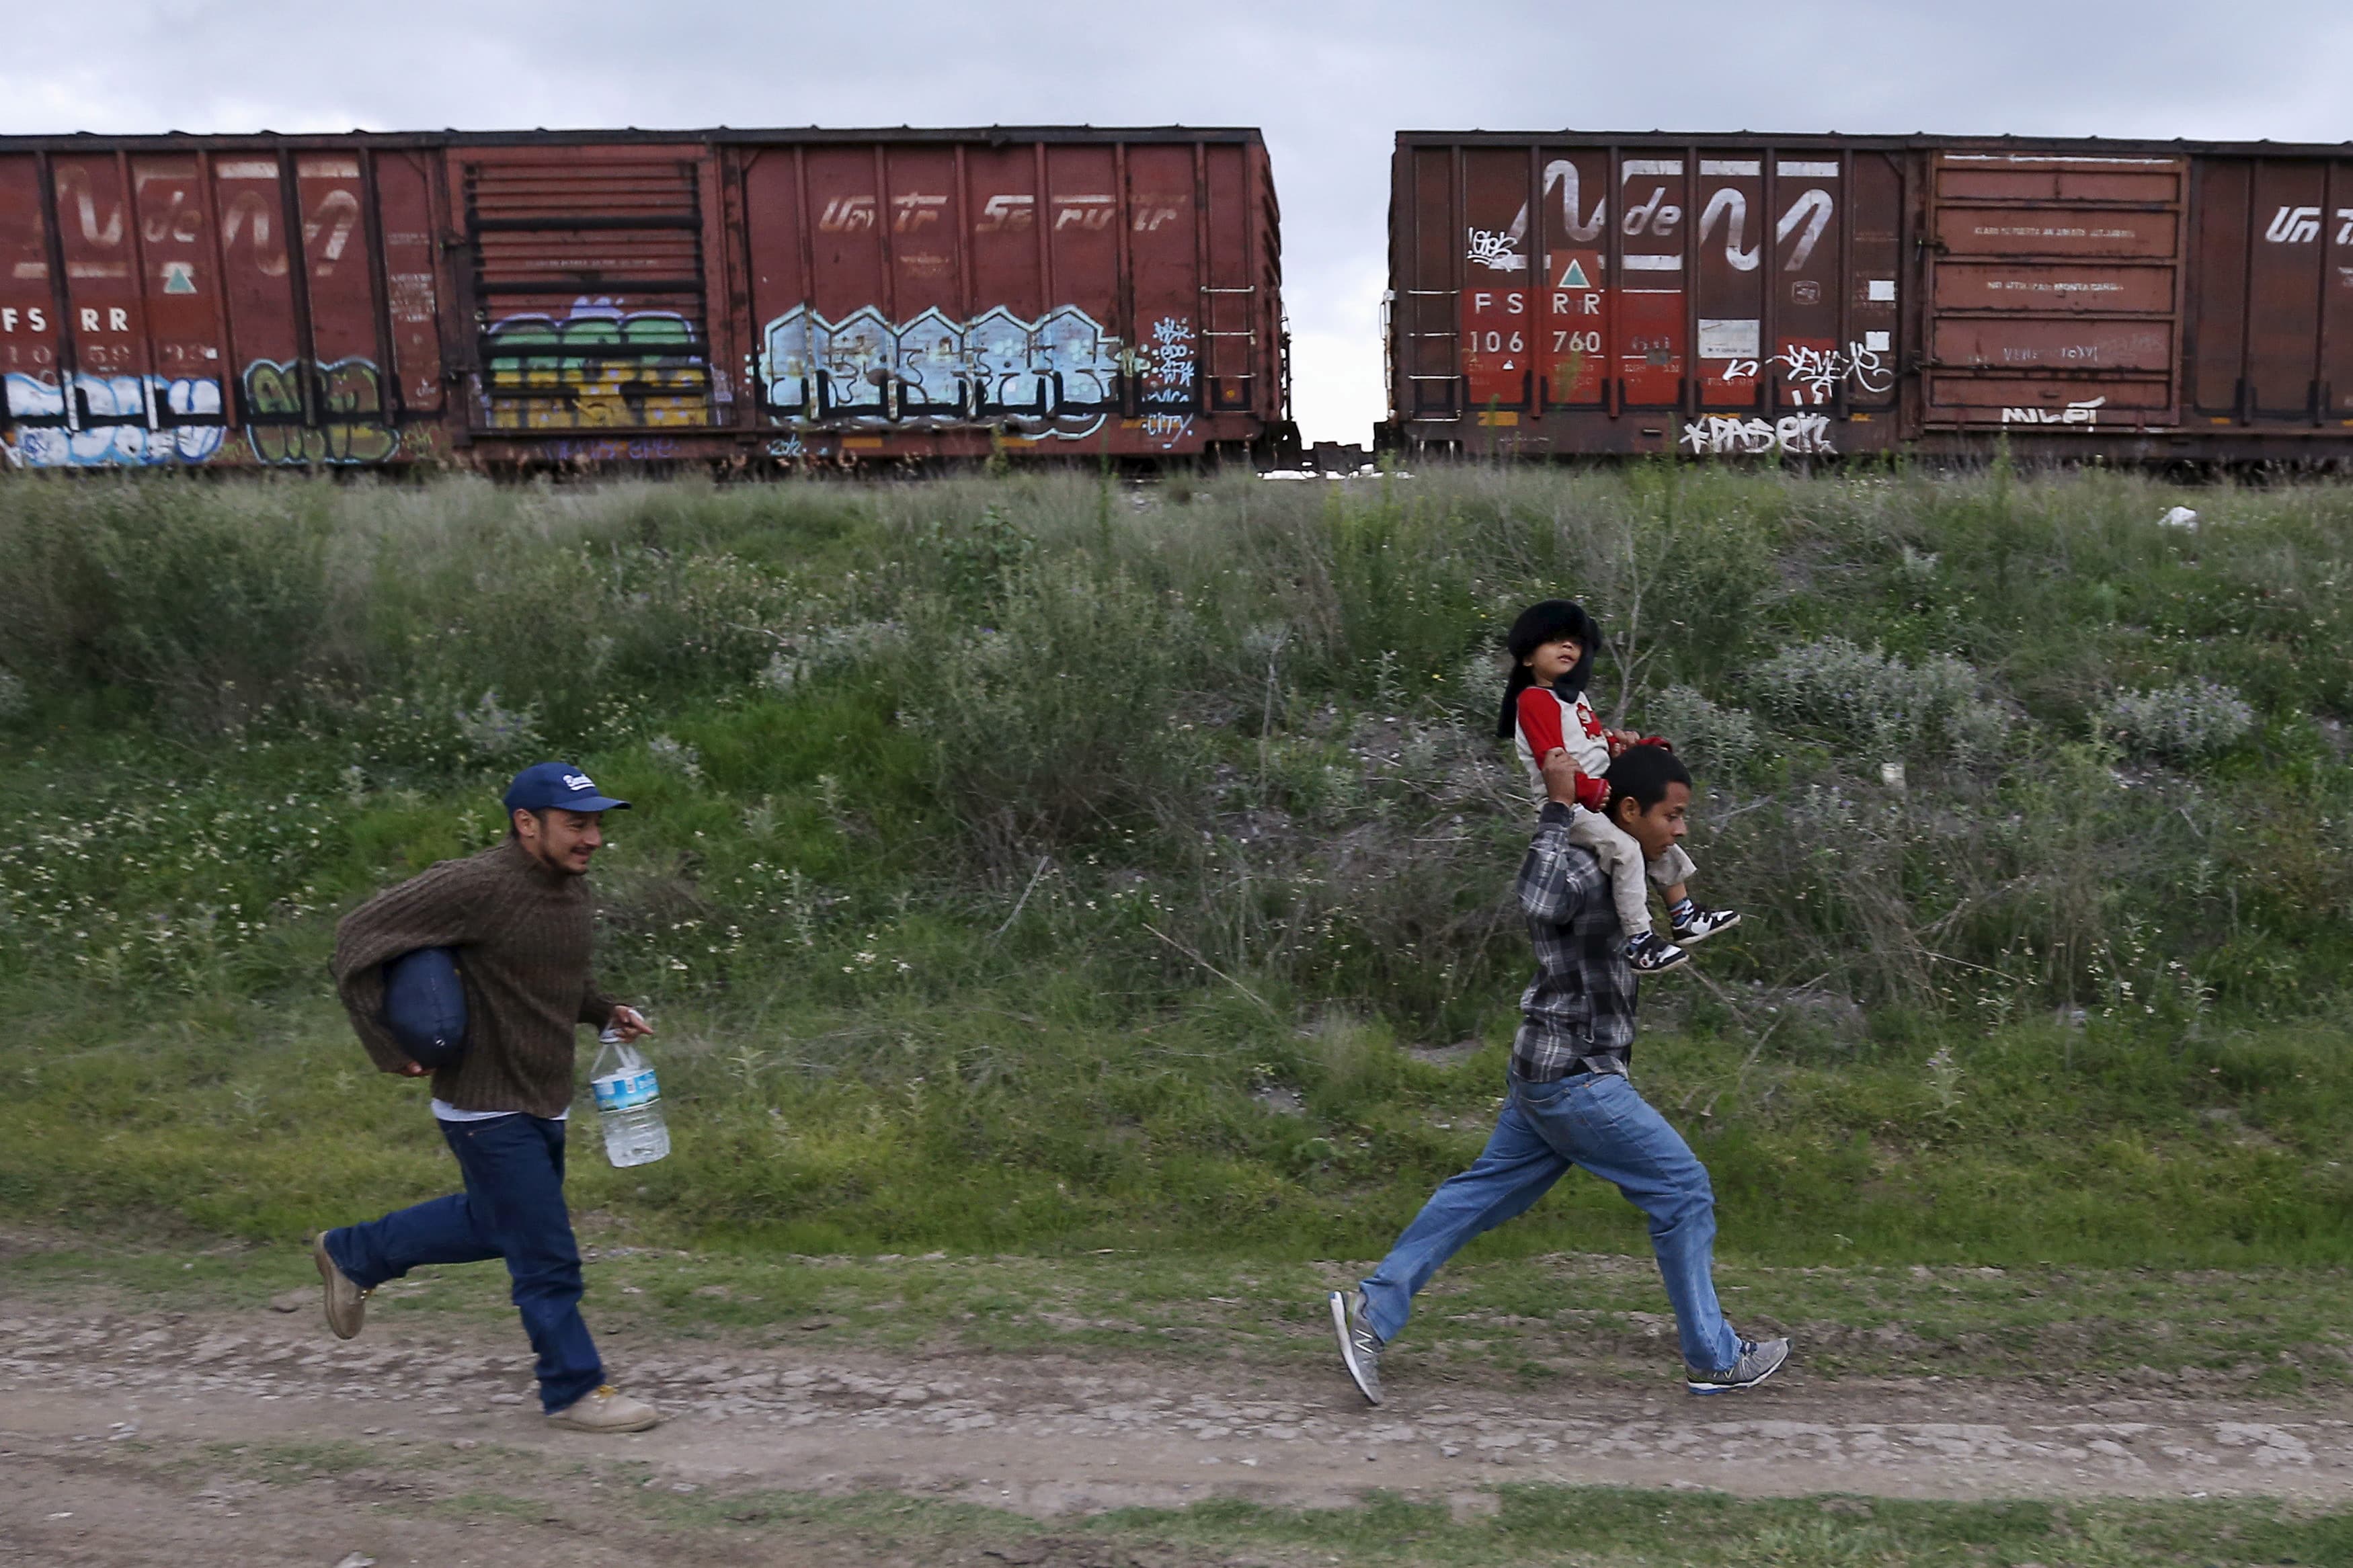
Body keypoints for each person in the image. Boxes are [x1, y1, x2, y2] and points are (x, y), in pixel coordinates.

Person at [1329, 743, 1789, 1405]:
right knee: (1682, 1188)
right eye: (1673, 813)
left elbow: (1667, 891)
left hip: (1547, 1068)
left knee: (1479, 1195)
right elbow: (1535, 894)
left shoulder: (1622, 859)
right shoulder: (1577, 861)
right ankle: (1711, 1357)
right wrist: (1554, 803)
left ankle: (1372, 1316)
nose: (1682, 827)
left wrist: (1635, 754)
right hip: (1574, 1075)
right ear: (1629, 810)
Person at [313, 762, 661, 1434]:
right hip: (484, 1104)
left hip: (542, 1094)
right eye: (575, 824)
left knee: (496, 1223)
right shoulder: (476, 884)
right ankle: (573, 1387)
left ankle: (354, 1253)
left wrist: (602, 1010)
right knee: (545, 1250)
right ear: (526, 823)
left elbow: (553, 974)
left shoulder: (569, 889)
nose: (591, 838)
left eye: (595, 824)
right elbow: (356, 936)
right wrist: (386, 1043)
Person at [1499, 599, 1740, 973]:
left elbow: (1594, 745)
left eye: (1575, 643)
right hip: (1569, 806)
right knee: (1627, 849)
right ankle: (1639, 939)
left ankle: (1683, 914)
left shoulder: (1576, 698)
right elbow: (1553, 760)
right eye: (1555, 640)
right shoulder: (1534, 700)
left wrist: (1628, 750)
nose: (1568, 648)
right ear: (1528, 657)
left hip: (1599, 796)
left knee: (1657, 837)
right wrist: (1584, 790)